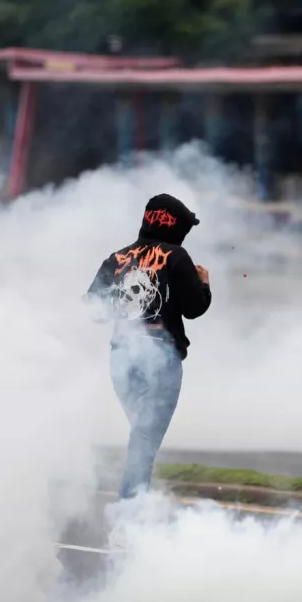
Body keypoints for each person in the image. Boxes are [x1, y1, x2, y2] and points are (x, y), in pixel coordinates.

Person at [86, 193, 212, 504]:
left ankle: (139, 510)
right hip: (160, 358)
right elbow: (194, 307)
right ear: (174, 224)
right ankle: (129, 520)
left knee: (142, 439)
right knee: (143, 441)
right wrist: (204, 285)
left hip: (121, 358)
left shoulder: (117, 258)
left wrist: (121, 304)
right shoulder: (177, 256)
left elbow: (92, 308)